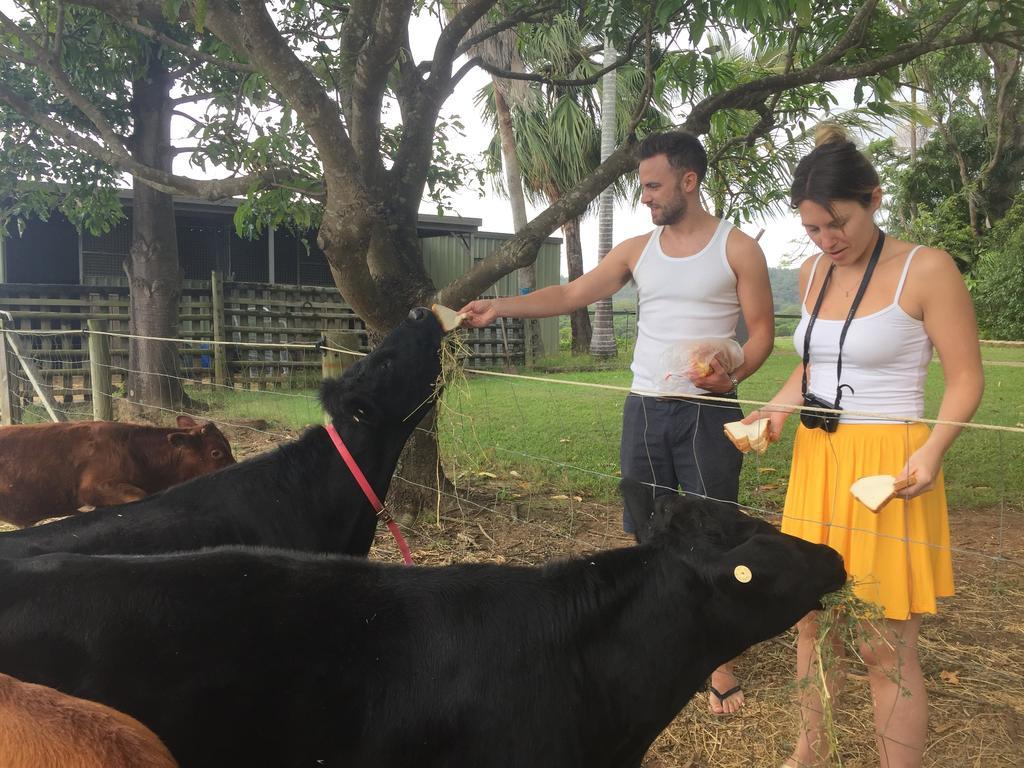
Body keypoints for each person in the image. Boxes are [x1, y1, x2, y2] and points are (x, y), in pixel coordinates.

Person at [460, 130, 775, 715]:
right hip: (645, 407)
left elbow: (760, 335)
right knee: (648, 529)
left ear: (689, 181)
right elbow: (574, 292)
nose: (645, 197)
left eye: (653, 185)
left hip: (709, 412)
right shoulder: (636, 250)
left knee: (712, 528)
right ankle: (656, 634)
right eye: (642, 186)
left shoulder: (738, 249)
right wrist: (500, 305)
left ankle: (719, 658)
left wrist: (733, 372)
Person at [743, 125, 984, 768]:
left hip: (890, 465)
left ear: (874, 198)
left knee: (882, 643)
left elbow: (966, 379)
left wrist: (932, 451)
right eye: (815, 229)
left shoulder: (926, 266)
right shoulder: (812, 271)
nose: (829, 241)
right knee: (810, 621)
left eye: (839, 223)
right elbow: (814, 365)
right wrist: (773, 411)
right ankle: (809, 752)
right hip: (817, 460)